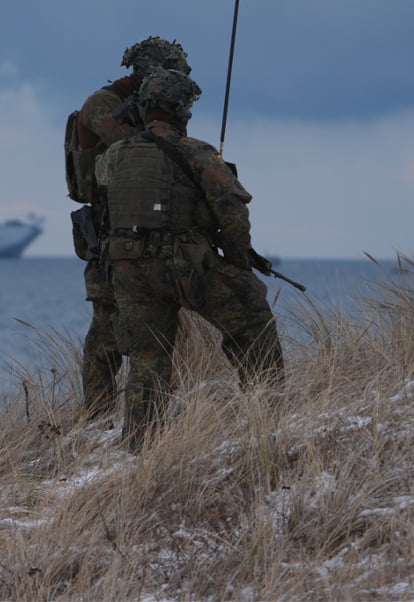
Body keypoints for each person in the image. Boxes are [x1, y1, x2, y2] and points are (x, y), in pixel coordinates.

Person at [95, 67, 284, 450]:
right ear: (182, 110)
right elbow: (232, 212)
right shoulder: (197, 153)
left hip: (129, 270)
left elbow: (102, 180)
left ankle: (141, 446)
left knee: (148, 360)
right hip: (185, 264)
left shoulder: (114, 156)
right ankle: (270, 414)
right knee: (250, 316)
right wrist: (237, 263)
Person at [65, 36, 191, 419]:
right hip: (108, 228)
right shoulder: (103, 106)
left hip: (144, 225)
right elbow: (139, 151)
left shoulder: (148, 106)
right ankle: (98, 414)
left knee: (153, 323)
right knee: (106, 324)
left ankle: (147, 408)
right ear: (151, 71)